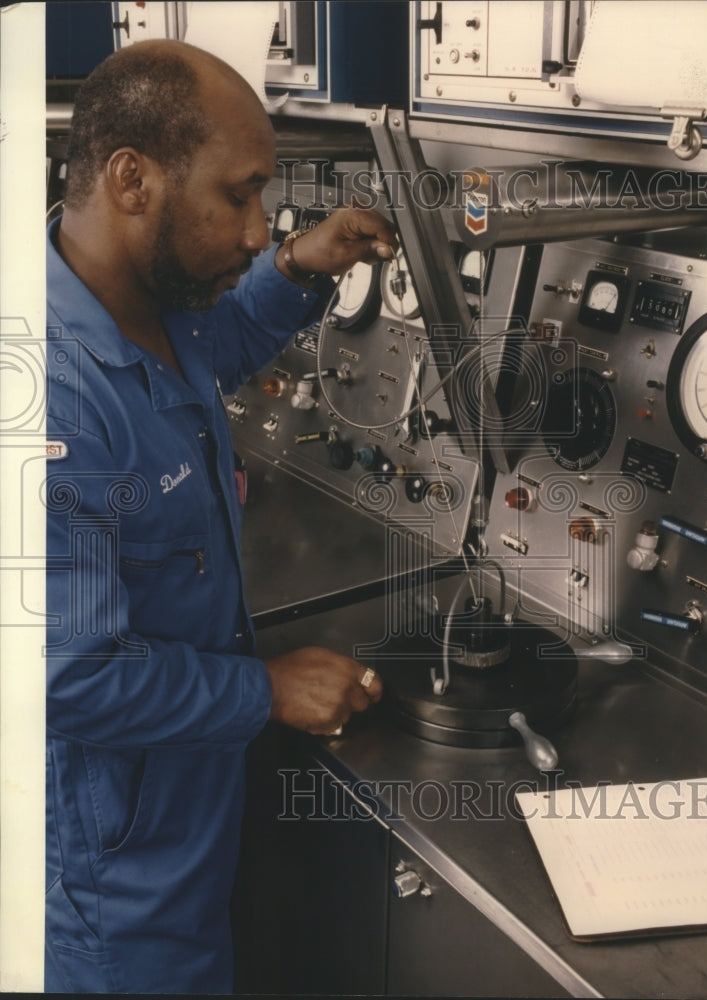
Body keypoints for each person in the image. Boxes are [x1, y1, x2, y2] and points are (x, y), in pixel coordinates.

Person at [45, 38, 395, 994]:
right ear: (132, 180)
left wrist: (298, 265)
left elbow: (215, 344)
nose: (254, 231)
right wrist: (264, 691)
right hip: (117, 879)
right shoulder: (47, 399)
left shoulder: (137, 295)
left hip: (188, 809)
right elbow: (64, 675)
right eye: (237, 196)